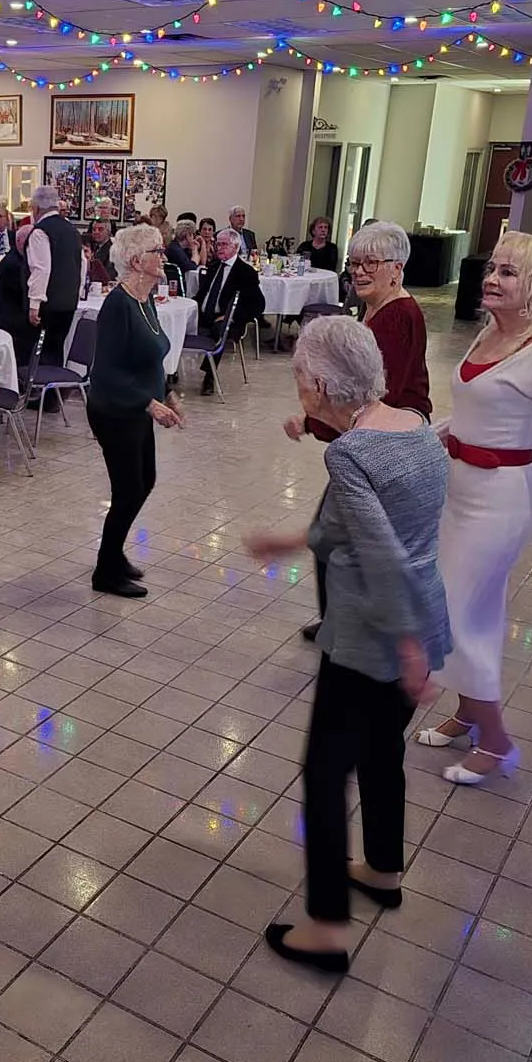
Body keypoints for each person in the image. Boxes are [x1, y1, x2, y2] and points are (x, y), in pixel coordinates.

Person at [245, 316, 450, 973]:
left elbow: (381, 553)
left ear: (322, 384)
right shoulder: (416, 429)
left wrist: (408, 651)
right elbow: (359, 523)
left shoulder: (350, 452)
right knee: (382, 755)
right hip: (423, 616)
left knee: (326, 773)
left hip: (373, 636)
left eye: (301, 378)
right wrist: (289, 542)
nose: (299, 390)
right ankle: (385, 869)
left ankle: (326, 928)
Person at [415, 231, 532, 785]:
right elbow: (469, 413)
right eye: (492, 269)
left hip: (500, 500)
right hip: (458, 490)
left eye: (509, 273)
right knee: (479, 613)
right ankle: (469, 714)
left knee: (452, 614)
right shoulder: (489, 332)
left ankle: (495, 741)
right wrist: (420, 439)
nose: (491, 279)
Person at [294, 220, 432, 642]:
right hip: (374, 443)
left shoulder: (397, 316)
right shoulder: (377, 309)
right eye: (355, 262)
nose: (359, 270)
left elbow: (373, 395)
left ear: (398, 268)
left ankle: (353, 626)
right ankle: (344, 621)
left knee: (334, 537)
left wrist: (311, 420)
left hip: (382, 448)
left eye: (371, 262)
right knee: (337, 536)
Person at [86, 224, 184, 598]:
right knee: (128, 490)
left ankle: (113, 555)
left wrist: (168, 393)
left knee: (145, 481)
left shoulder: (145, 299)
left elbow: (151, 358)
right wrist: (149, 403)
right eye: (157, 251)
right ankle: (105, 571)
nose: (165, 256)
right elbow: (106, 373)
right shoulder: (118, 306)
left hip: (138, 409)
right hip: (114, 411)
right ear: (135, 260)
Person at [192, 227, 264, 395]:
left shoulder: (246, 272)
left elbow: (258, 305)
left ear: (235, 247)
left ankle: (209, 377)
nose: (219, 248)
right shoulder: (213, 266)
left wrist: (231, 316)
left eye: (224, 245)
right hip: (204, 315)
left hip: (227, 319)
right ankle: (172, 373)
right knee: (179, 323)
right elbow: (202, 294)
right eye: (218, 244)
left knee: (218, 330)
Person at [25, 185, 80, 366]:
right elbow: (82, 264)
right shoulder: (72, 230)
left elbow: (41, 269)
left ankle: (43, 390)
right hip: (69, 301)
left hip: (49, 303)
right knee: (57, 348)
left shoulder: (40, 231)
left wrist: (34, 303)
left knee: (44, 351)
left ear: (36, 208)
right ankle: (54, 389)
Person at [0, 221, 34, 367]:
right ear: (19, 242)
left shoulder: (17, 259)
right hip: (11, 316)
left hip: (12, 311)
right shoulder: (14, 264)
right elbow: (25, 293)